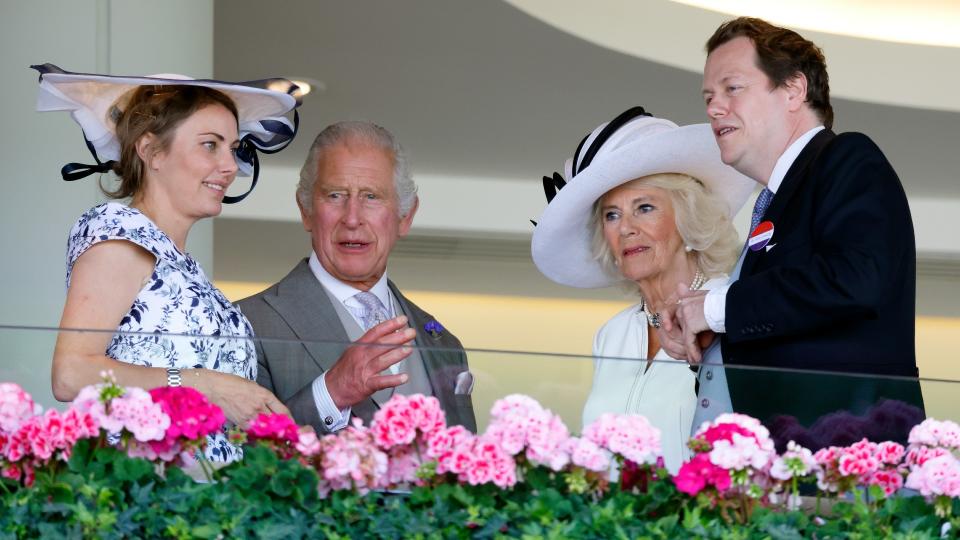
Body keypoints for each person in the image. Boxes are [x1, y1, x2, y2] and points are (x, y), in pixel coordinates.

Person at [666, 17, 924, 447]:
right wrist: (714, 335)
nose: (713, 108)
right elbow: (787, 320)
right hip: (776, 468)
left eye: (732, 88)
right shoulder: (771, 202)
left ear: (793, 90)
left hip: (839, 464)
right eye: (709, 96)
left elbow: (856, 278)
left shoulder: (847, 158)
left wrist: (717, 309)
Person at [40, 64, 301, 462]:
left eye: (232, 148)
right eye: (210, 145)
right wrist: (204, 386)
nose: (230, 166)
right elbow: (70, 374)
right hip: (146, 496)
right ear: (150, 151)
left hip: (202, 501)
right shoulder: (119, 229)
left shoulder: (184, 266)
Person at [531, 107, 754, 472]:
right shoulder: (612, 335)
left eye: (644, 208)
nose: (626, 228)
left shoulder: (730, 311)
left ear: (687, 219)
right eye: (612, 215)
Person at [238, 121, 477, 434]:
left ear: (406, 216)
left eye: (371, 197)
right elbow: (234, 459)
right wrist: (331, 393)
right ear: (306, 210)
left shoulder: (445, 344)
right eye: (335, 195)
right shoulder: (244, 323)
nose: (352, 218)